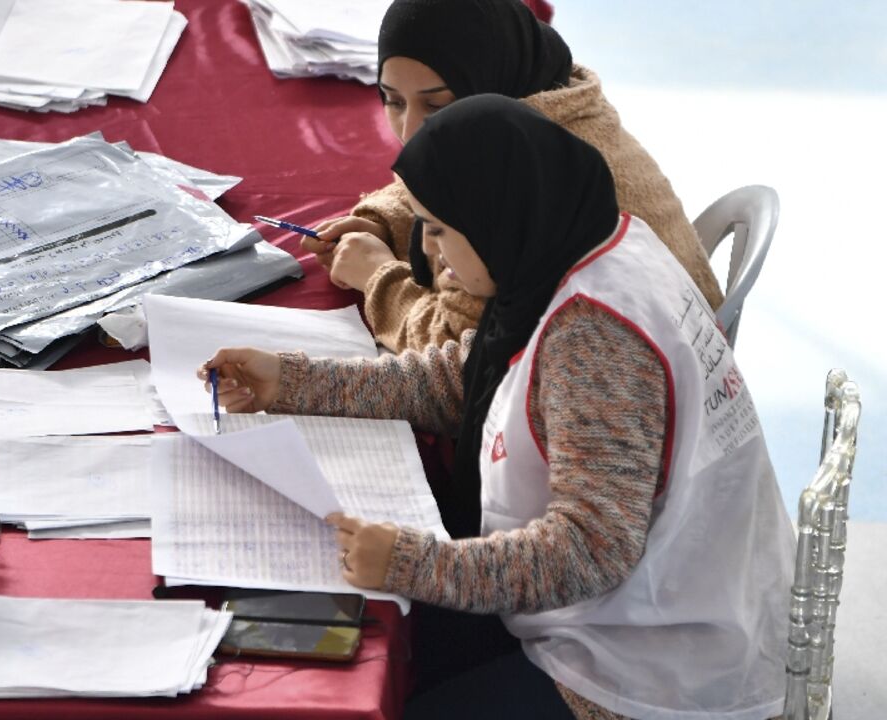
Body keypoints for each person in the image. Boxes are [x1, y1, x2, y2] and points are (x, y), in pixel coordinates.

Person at [202, 96, 794, 719]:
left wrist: (413, 563)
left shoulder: (595, 338)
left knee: (362, 677)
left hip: (648, 672)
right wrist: (291, 381)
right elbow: (472, 381)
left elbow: (589, 550)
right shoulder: (586, 243)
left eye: (438, 230)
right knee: (358, 641)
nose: (430, 256)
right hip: (640, 610)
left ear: (493, 217)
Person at [305, 0, 724, 354]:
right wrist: (381, 220)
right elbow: (439, 178)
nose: (410, 132)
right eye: (392, 101)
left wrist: (377, 277)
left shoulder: (523, 173)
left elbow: (458, 353)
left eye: (436, 106)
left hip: (636, 387)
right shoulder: (538, 97)